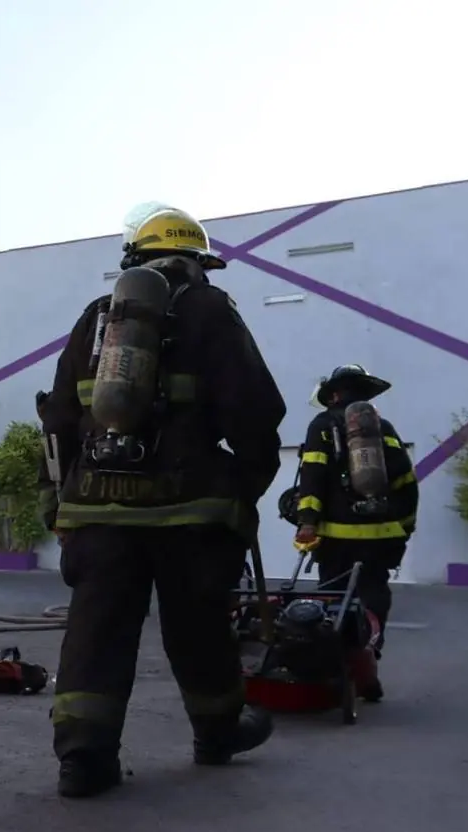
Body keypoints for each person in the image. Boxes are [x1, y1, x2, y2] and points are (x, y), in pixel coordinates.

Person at [39, 202, 286, 798]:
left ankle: (84, 760)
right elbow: (255, 412)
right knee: (198, 628)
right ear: (198, 263)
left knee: (96, 631)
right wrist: (241, 490)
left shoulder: (97, 318)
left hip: (97, 509)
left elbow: (59, 420)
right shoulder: (210, 310)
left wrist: (59, 503)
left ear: (134, 260)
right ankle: (217, 733)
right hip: (189, 512)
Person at [292, 364, 418, 701]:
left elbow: (313, 476)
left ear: (334, 394)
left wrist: (307, 521)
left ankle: (334, 672)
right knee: (373, 597)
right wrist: (404, 528)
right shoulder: (384, 429)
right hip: (380, 536)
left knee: (333, 602)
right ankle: (367, 667)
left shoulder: (322, 424)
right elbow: (407, 483)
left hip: (336, 539)